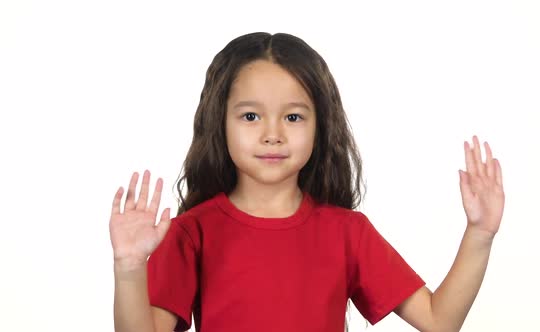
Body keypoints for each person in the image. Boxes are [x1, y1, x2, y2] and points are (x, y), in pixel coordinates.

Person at [109, 32, 505, 332]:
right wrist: (129, 267)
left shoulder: (347, 232)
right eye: (250, 116)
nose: (272, 134)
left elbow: (439, 321)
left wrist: (480, 233)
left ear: (320, 126)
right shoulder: (192, 232)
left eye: (293, 117)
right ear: (220, 124)